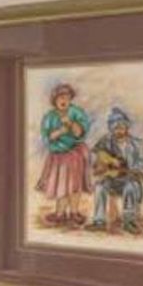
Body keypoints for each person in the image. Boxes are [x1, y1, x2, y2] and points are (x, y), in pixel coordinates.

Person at [90, 107, 143, 234]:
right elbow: (95, 156)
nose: (119, 130)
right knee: (100, 187)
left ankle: (129, 221)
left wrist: (133, 167)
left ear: (127, 127)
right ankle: (99, 221)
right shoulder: (106, 141)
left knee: (130, 187)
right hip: (111, 180)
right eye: (116, 128)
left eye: (122, 127)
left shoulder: (137, 144)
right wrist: (109, 163)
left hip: (129, 178)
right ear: (112, 129)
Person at [36, 83, 91, 224]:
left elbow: (80, 133)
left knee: (75, 185)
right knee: (61, 186)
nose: (64, 100)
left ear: (70, 99)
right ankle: (60, 213)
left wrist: (71, 124)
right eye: (60, 97)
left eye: (67, 97)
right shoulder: (50, 117)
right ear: (54, 100)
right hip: (59, 156)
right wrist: (61, 131)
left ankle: (74, 212)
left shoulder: (76, 112)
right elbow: (47, 137)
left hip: (75, 154)